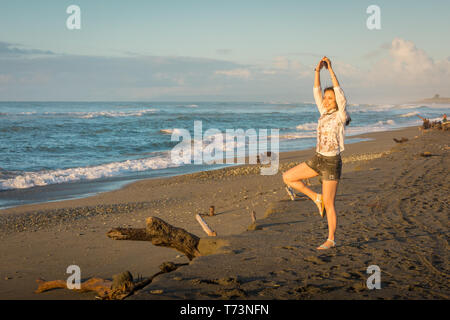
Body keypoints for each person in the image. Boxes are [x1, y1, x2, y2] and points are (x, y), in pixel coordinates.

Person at [283, 56, 351, 250]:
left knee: (330, 203)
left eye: (331, 98)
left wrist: (330, 69)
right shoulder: (323, 112)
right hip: (318, 159)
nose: (327, 100)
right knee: (288, 177)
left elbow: (340, 94)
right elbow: (315, 91)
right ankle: (315, 197)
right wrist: (317, 71)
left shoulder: (340, 115)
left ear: (337, 101)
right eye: (326, 98)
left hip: (331, 163)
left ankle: (331, 239)